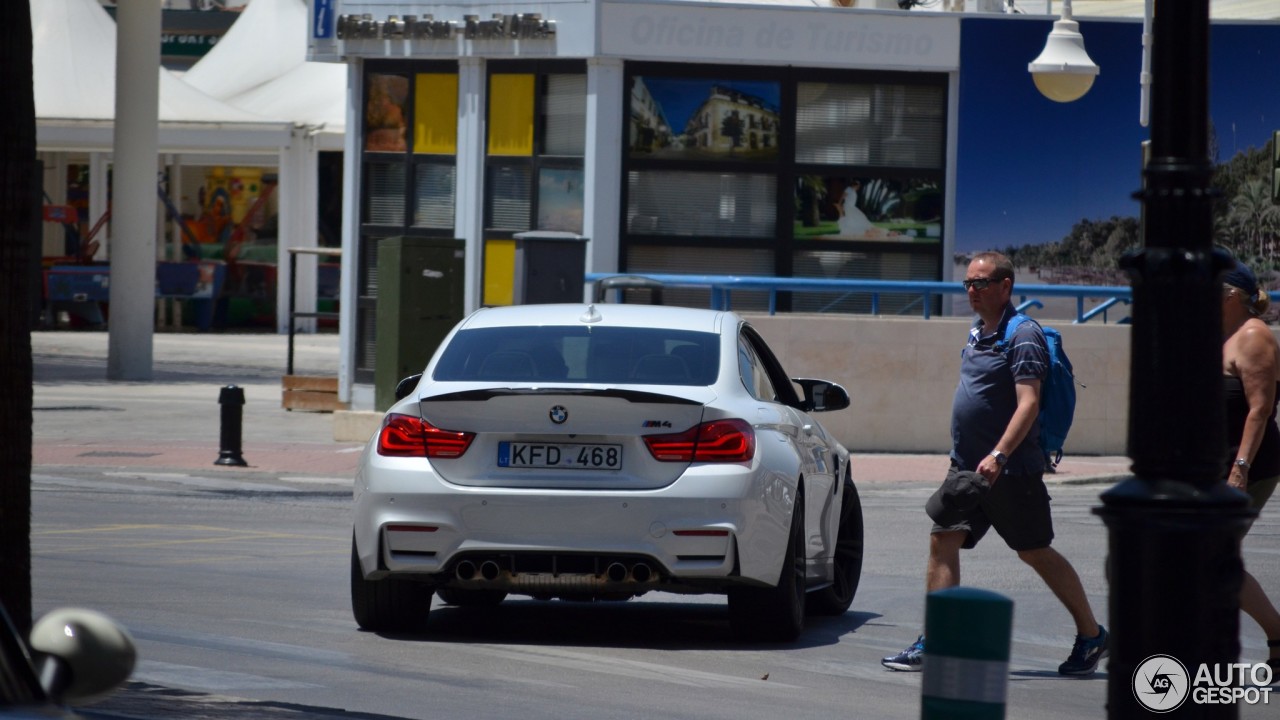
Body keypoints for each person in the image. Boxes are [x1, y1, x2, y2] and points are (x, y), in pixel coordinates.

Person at [881, 251, 1108, 676]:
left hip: (1009, 471)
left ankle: (1092, 634)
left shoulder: (1023, 335)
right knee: (942, 538)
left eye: (981, 282)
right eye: (968, 282)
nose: (972, 290)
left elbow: (1029, 403)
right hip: (967, 468)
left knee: (1034, 552)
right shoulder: (978, 331)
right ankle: (937, 641)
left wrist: (999, 455)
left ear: (1006, 287)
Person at [1220, 259, 1280, 673]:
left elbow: (1260, 409)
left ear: (1230, 294)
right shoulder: (1218, 336)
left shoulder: (1254, 336)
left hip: (1249, 466)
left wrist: (1240, 467)